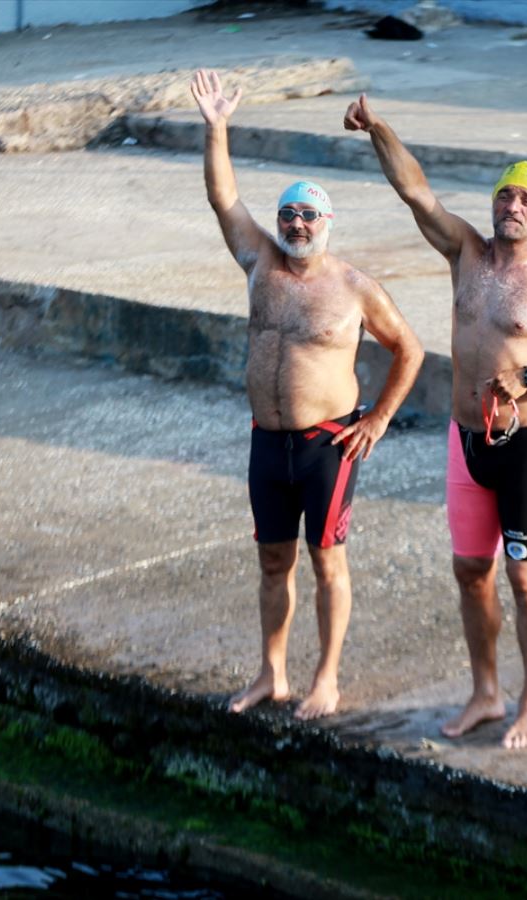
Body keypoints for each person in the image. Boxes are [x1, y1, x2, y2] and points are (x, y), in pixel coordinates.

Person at [345, 94, 527, 749]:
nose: (512, 207)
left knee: (525, 576)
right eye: (504, 197)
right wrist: (377, 128)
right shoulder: (466, 253)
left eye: (526, 200)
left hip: (526, 445)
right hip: (466, 441)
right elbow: (416, 192)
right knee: (470, 572)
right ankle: (486, 693)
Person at [192, 70, 423, 721]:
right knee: (272, 562)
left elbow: (410, 349)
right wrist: (216, 127)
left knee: (328, 564)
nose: (296, 224)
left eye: (309, 215)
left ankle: (326, 679)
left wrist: (378, 418)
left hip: (328, 445)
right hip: (268, 442)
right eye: (288, 214)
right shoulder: (260, 264)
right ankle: (272, 675)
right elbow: (222, 198)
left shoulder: (354, 287)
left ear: (329, 223)